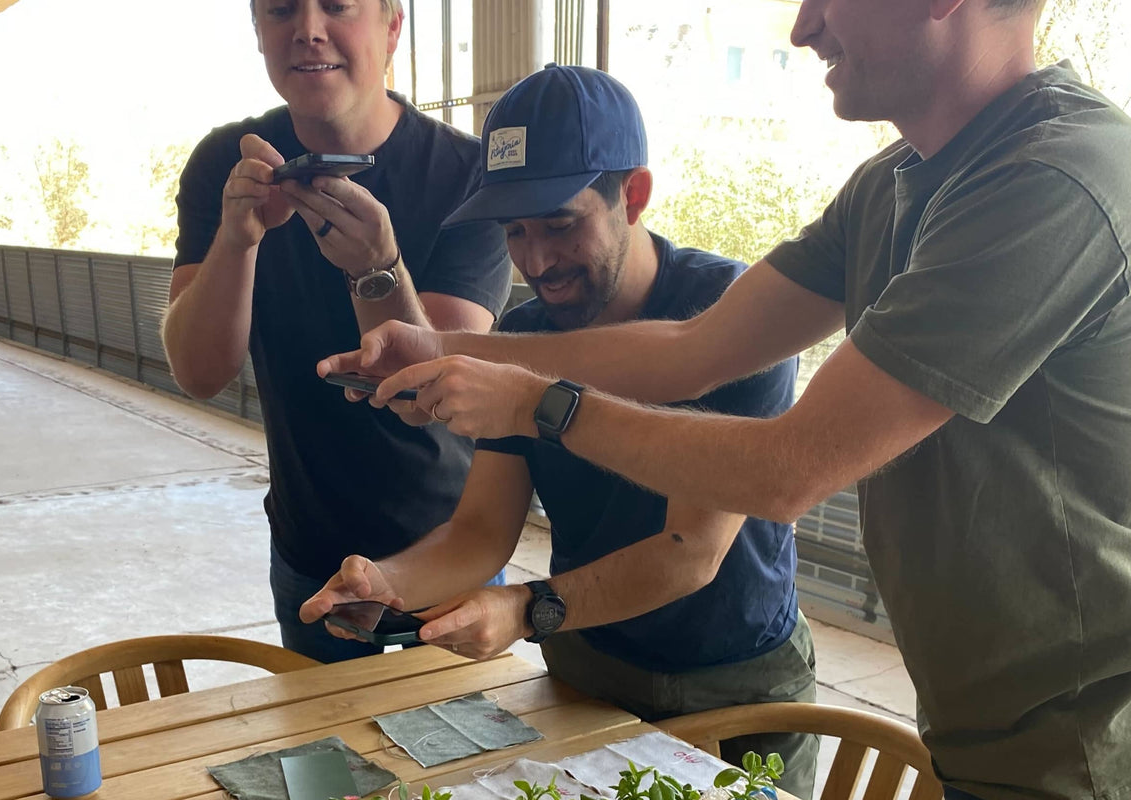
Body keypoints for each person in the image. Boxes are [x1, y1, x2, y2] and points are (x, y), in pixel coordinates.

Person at [316, 0, 1131, 797]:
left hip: (1080, 738)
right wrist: (449, 351)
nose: (805, 25)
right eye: (515, 232)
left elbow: (788, 472)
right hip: (976, 715)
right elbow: (691, 349)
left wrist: (540, 409)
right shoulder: (891, 186)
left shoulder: (1052, 178)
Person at [300, 64, 818, 799]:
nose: (537, 260)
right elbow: (481, 530)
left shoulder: (730, 318)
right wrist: (389, 583)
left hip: (735, 685)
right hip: (586, 676)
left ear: (632, 195)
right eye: (514, 230)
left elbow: (690, 554)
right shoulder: (523, 333)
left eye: (561, 223)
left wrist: (528, 609)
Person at [161, 0, 512, 664]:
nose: (308, 29)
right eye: (281, 10)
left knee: (465, 766)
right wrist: (237, 241)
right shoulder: (224, 166)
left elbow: (428, 399)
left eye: (337, 6)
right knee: (330, 766)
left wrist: (377, 267)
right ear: (259, 33)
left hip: (446, 554)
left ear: (392, 27)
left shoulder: (469, 176)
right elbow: (199, 371)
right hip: (310, 556)